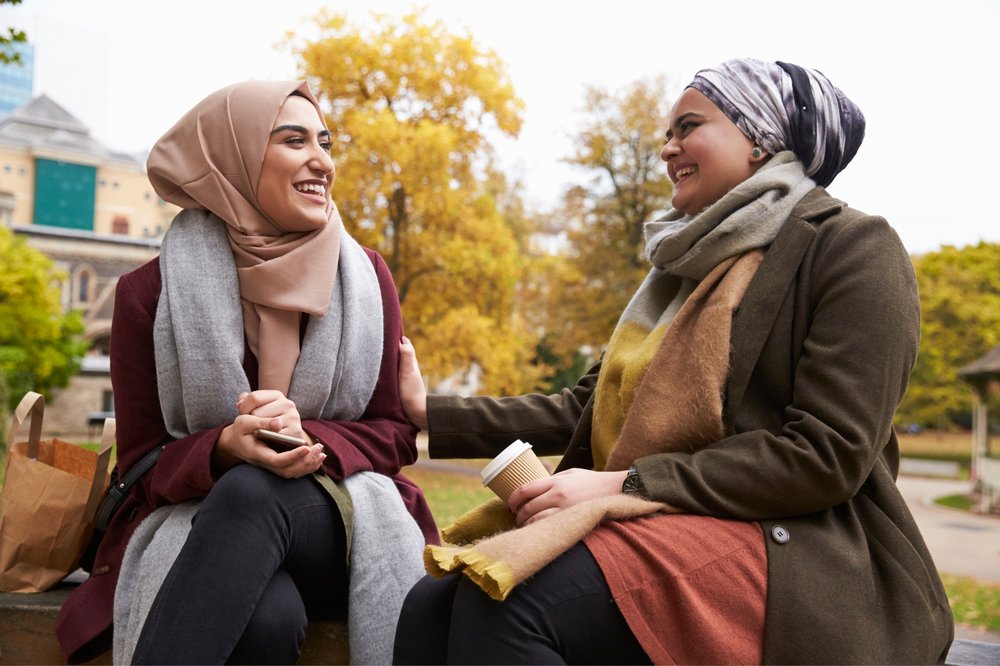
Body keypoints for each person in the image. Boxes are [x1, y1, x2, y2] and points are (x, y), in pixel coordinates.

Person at [392, 58, 954, 665]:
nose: (667, 148)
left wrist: (619, 485)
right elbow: (585, 408)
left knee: (510, 601)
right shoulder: (681, 269)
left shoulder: (854, 248)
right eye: (668, 133)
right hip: (664, 519)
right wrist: (429, 412)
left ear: (762, 139)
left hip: (795, 545)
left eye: (689, 126)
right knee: (433, 601)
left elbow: (825, 455)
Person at [55, 80, 438, 665]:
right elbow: (141, 464)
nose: (322, 162)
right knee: (266, 621)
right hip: (209, 528)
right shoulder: (150, 294)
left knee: (254, 489)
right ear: (231, 162)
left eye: (326, 142)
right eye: (294, 141)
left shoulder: (367, 281)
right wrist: (223, 449)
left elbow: (393, 432)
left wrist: (309, 438)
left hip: (345, 524)